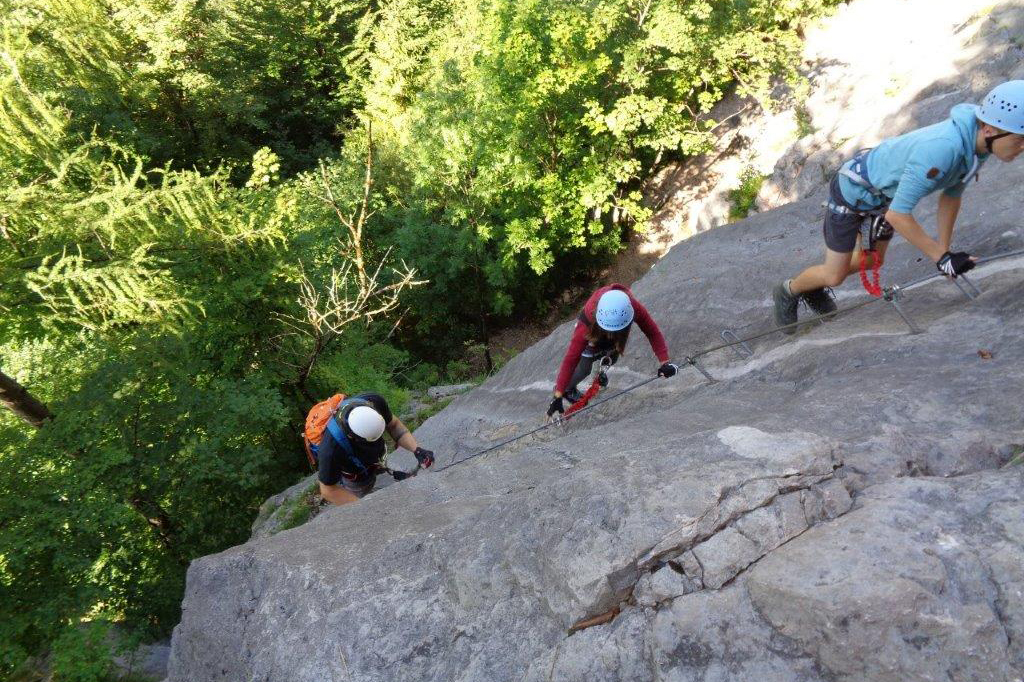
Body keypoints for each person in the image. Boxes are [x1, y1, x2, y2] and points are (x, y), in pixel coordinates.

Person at [772, 80, 1024, 332]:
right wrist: (941, 257)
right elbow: (898, 215)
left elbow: (951, 197)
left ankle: (811, 285)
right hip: (852, 193)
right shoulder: (943, 150)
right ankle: (789, 290)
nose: (1022, 148)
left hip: (882, 196)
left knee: (872, 261)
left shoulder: (978, 149)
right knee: (834, 275)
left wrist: (944, 254)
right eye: (1020, 139)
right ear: (990, 129)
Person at [547, 284, 677, 418]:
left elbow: (652, 332)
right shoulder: (586, 323)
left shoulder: (631, 306)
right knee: (584, 367)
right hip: (594, 332)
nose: (610, 334)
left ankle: (598, 375)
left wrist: (665, 362)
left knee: (612, 358)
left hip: (615, 332)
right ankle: (568, 389)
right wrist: (558, 394)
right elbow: (571, 358)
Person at [314, 393, 435, 506]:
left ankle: (378, 471)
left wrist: (417, 450)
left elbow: (394, 425)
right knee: (362, 490)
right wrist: (364, 507)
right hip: (355, 474)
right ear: (352, 436)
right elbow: (327, 490)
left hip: (374, 459)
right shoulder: (331, 449)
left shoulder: (374, 401)